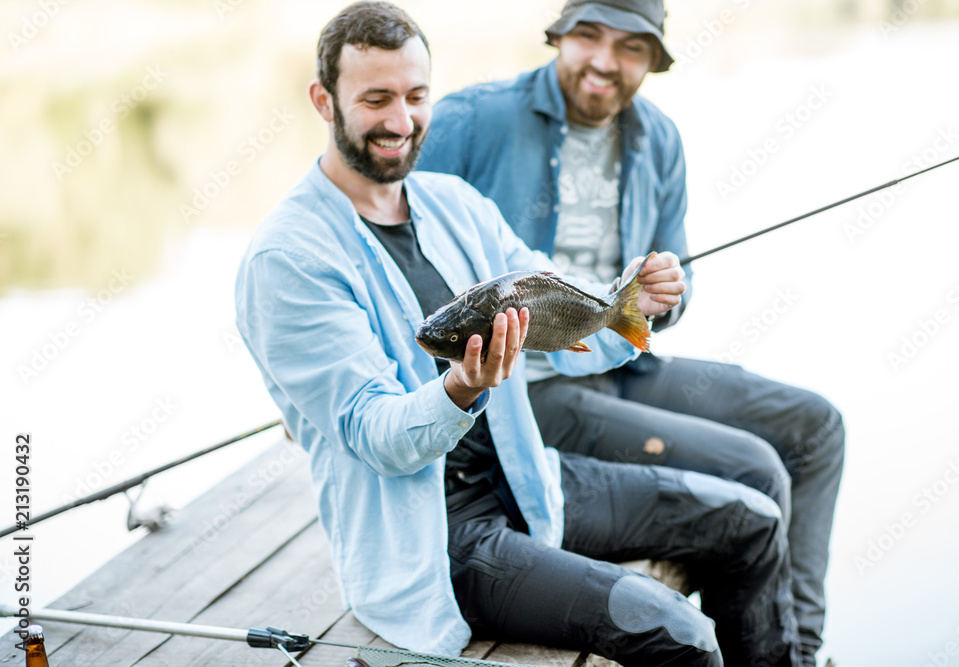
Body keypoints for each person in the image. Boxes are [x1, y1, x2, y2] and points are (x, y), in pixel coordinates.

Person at [235, 2, 802, 665]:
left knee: (752, 521)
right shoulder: (288, 258)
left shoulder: (457, 203)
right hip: (437, 538)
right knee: (678, 632)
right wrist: (458, 389)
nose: (401, 120)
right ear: (324, 101)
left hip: (528, 474)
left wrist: (634, 300)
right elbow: (372, 433)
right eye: (376, 98)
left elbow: (563, 313)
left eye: (416, 96)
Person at [416, 1, 846, 665]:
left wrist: (663, 290)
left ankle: (799, 651)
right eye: (588, 36)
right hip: (528, 392)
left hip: (618, 359)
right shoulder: (471, 119)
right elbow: (387, 226)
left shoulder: (660, 138)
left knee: (816, 426)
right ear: (559, 36)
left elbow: (672, 287)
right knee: (756, 470)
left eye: (631, 47)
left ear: (653, 59)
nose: (605, 62)